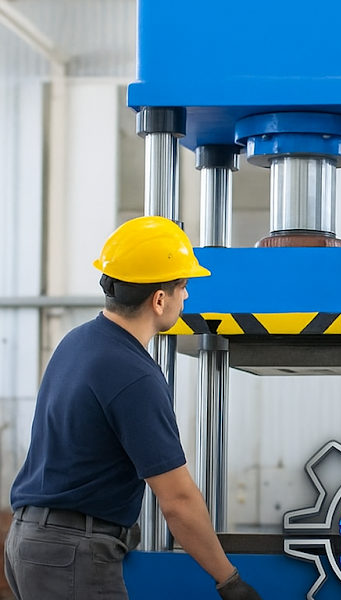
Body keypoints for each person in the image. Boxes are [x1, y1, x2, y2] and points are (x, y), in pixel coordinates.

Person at [4, 216, 262, 600]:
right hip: (72, 553)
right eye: (182, 286)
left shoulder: (78, 342)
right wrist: (230, 581)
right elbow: (177, 501)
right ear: (159, 299)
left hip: (33, 542)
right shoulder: (133, 374)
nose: (186, 297)